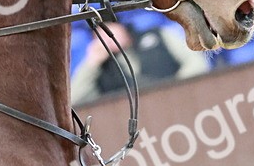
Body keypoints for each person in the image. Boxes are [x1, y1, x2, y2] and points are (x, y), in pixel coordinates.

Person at [70, 20, 210, 106]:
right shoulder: (102, 70)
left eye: (109, 30)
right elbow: (76, 100)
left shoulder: (158, 35)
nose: (106, 38)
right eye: (99, 36)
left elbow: (197, 63)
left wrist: (172, 91)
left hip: (185, 102)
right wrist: (91, 64)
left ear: (121, 27)